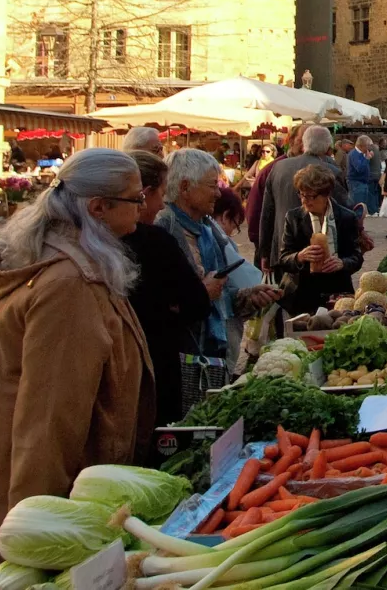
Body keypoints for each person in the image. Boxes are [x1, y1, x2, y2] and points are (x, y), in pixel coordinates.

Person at [0, 149, 154, 584]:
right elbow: (49, 419)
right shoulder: (68, 284)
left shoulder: (62, 261)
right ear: (98, 207)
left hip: (0, 497)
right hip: (19, 511)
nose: (146, 205)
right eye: (136, 198)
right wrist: (40, 532)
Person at [157, 149, 280, 368]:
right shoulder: (163, 229)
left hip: (212, 355)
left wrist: (248, 297)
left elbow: (221, 295)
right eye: (212, 185)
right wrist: (203, 293)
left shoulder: (206, 229)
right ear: (185, 187)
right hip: (180, 360)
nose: (218, 193)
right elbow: (161, 305)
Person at [122, 151, 211, 430]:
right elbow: (197, 302)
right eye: (160, 193)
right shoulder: (156, 239)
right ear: (144, 194)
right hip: (158, 362)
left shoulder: (87, 246)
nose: (163, 203)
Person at [275, 164, 364, 315]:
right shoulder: (293, 217)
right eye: (302, 194)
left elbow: (356, 257)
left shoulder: (346, 217)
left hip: (337, 293)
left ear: (327, 194)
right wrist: (299, 256)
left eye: (311, 196)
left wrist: (342, 263)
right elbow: (283, 258)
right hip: (302, 294)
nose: (305, 200)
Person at [259, 126, 340, 268]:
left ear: (304, 143)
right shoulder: (332, 171)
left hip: (283, 251)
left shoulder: (278, 167)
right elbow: (342, 212)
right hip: (324, 255)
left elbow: (267, 213)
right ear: (328, 147)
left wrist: (264, 252)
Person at [347, 135, 380, 214]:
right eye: (368, 146)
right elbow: (359, 168)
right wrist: (367, 158)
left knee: (362, 206)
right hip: (356, 183)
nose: (369, 148)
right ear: (362, 145)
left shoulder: (361, 154)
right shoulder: (354, 154)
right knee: (358, 206)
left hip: (363, 182)